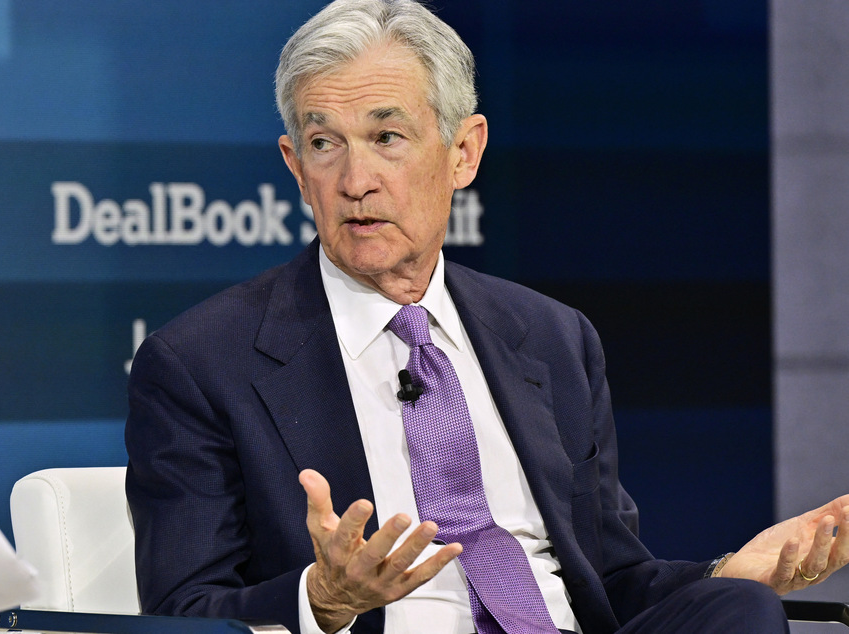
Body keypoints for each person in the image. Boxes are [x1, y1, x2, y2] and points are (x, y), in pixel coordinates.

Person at [125, 1, 849, 632]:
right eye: (323, 144)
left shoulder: (551, 337)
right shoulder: (201, 363)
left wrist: (732, 570)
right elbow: (180, 611)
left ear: (463, 151)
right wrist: (325, 597)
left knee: (740, 610)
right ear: (293, 165)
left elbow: (611, 583)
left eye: (386, 137)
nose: (354, 180)